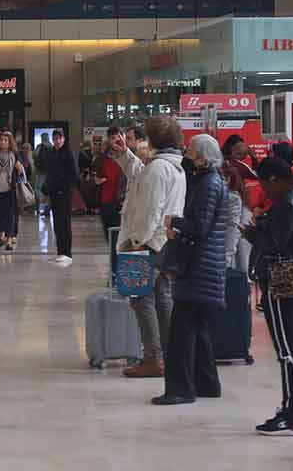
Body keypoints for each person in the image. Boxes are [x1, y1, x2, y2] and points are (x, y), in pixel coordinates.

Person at [241, 157, 293, 436]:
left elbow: (274, 244)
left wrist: (250, 232)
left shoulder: (288, 203)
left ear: (274, 178)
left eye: (264, 183)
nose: (264, 190)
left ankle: (291, 412)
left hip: (282, 278)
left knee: (286, 349)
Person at [152, 134, 228, 405]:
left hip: (199, 267)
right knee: (199, 327)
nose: (187, 155)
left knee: (181, 333)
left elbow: (201, 227)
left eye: (192, 152)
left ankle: (180, 389)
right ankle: (207, 383)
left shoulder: (208, 184)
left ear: (204, 157)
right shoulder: (212, 180)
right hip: (207, 266)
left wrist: (176, 223)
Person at [112, 116, 187, 378]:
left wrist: (136, 242)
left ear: (153, 139)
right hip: (165, 242)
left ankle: (152, 358)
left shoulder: (158, 169)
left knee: (141, 299)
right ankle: (167, 355)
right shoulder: (175, 167)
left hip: (147, 243)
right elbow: (140, 175)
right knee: (162, 299)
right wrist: (125, 156)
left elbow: (148, 211)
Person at [41, 129, 79, 266]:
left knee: (64, 224)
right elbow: (50, 175)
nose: (57, 140)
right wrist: (46, 191)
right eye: (55, 138)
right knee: (57, 224)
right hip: (54, 194)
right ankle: (60, 251)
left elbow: (73, 175)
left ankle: (67, 253)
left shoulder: (68, 154)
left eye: (60, 138)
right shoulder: (51, 154)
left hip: (64, 194)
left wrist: (65, 188)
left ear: (63, 139)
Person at [97, 125, 127, 243]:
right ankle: (113, 260)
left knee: (119, 237)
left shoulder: (129, 156)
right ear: (109, 140)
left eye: (120, 137)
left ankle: (116, 260)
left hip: (122, 201)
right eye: (113, 138)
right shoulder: (103, 157)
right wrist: (96, 180)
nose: (117, 140)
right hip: (106, 201)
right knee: (109, 235)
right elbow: (95, 173)